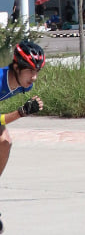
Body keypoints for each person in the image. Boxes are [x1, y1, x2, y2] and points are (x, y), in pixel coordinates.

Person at [0, 41, 46, 218]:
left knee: (5, 142)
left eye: (37, 71)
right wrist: (21, 112)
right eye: (30, 71)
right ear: (16, 67)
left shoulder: (25, 84)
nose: (34, 77)